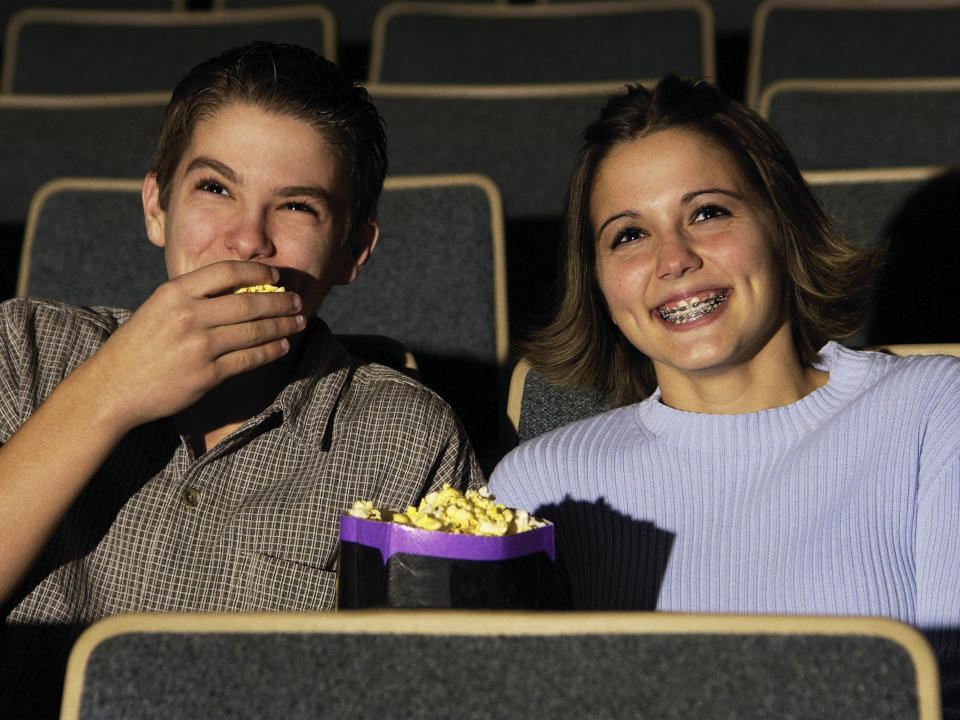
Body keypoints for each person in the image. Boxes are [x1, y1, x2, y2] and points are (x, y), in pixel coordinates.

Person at [0, 42, 483, 716]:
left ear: (352, 252)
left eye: (297, 207)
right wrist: (108, 393)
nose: (247, 239)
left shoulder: (406, 439)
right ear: (155, 207)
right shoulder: (22, 349)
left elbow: (445, 693)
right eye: (215, 188)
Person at [489, 76, 960, 711]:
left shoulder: (933, 410)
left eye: (708, 212)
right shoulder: (535, 486)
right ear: (599, 282)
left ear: (782, 224)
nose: (674, 258)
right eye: (628, 235)